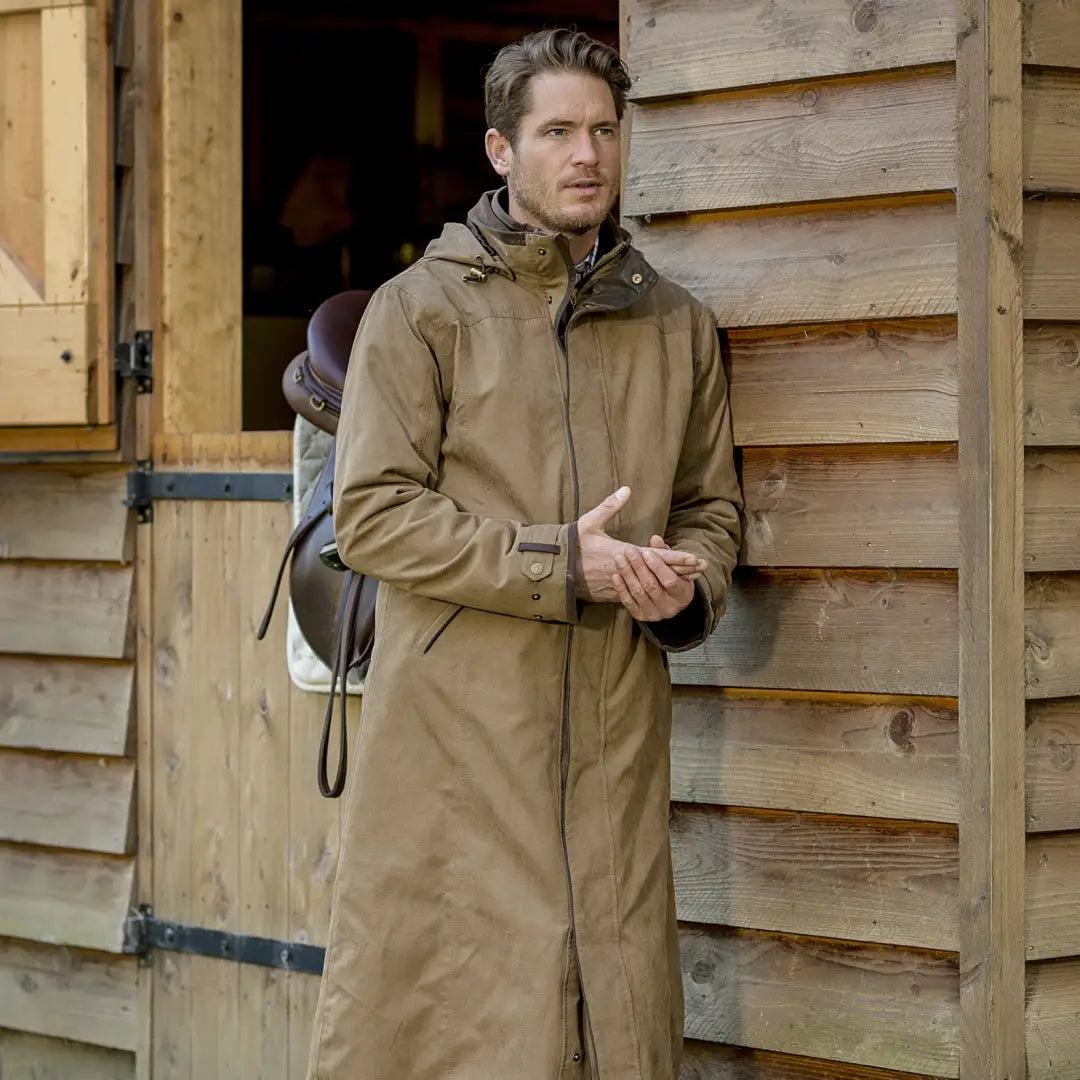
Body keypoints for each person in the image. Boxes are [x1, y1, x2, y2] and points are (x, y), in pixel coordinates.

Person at [308, 28, 742, 1080]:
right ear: (502, 152)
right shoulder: (421, 312)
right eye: (558, 132)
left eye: (603, 130)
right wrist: (564, 564)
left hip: (613, 733)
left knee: (616, 1017)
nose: (587, 154)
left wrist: (678, 586)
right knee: (455, 1024)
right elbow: (370, 513)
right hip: (460, 736)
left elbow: (713, 511)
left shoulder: (679, 327)